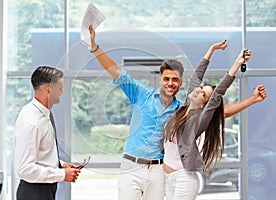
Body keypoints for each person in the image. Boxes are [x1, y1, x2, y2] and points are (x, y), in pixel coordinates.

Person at [88, 26, 266, 200]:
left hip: (165, 173)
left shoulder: (189, 115)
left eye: (175, 80)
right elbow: (115, 71)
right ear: (161, 79)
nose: (170, 83)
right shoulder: (159, 101)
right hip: (138, 168)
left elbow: (219, 107)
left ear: (180, 84)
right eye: (166, 78)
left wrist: (247, 92)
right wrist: (95, 47)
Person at [161, 44, 265, 200]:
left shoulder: (199, 120)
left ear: (205, 105)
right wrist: (211, 50)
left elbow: (218, 94)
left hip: (184, 179)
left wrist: (237, 64)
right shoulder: (183, 108)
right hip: (167, 177)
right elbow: (197, 76)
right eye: (200, 88)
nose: (198, 90)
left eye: (203, 94)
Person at [14, 66, 81, 200]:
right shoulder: (31, 121)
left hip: (44, 191)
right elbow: (24, 169)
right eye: (60, 88)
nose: (62, 92)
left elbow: (40, 154)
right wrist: (62, 174)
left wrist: (59, 164)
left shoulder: (44, 114)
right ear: (48, 90)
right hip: (34, 193)